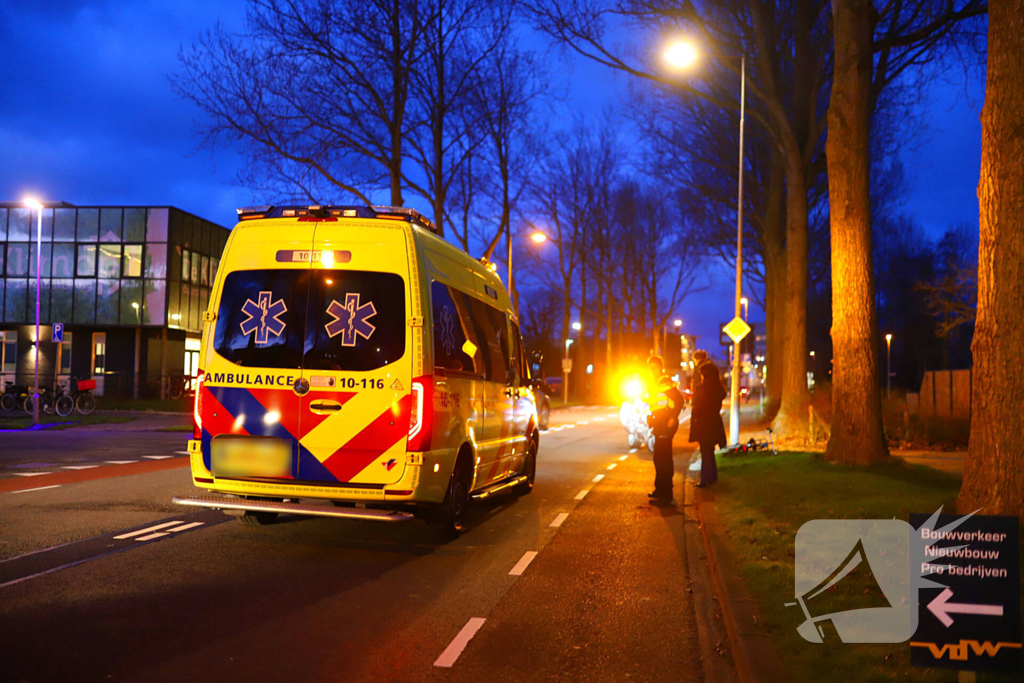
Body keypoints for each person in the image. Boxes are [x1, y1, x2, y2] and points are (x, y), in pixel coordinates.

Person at [645, 355, 683, 503]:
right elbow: (657, 404)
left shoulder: (664, 381)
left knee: (664, 459)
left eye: (655, 367)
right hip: (659, 423)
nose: (652, 370)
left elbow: (679, 400)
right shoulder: (655, 383)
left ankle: (666, 493)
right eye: (650, 368)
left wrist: (673, 417)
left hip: (666, 424)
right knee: (658, 458)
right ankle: (660, 489)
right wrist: (651, 417)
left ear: (660, 367)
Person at [688, 361, 727, 487]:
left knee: (705, 451)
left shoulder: (702, 389)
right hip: (714, 422)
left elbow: (697, 407)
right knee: (709, 450)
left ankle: (706, 479)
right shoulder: (718, 388)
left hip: (704, 423)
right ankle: (712, 476)